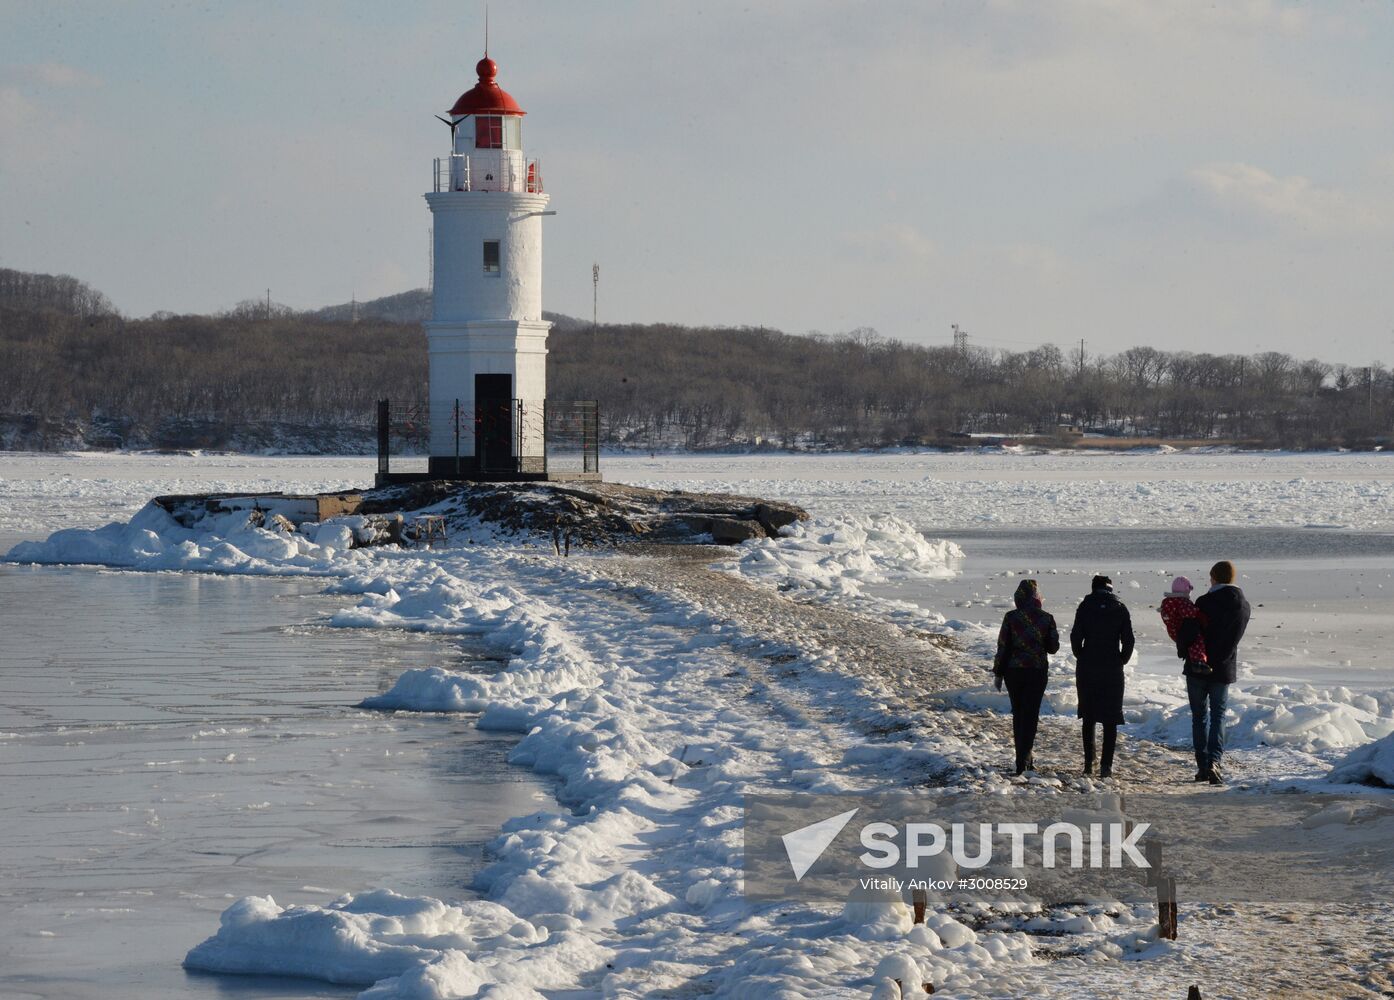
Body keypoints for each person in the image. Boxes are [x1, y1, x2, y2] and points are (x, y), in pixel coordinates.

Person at [1180, 560, 1251, 785]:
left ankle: (1202, 765)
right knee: (1218, 715)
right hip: (1223, 667)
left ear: (1214, 577)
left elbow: (1190, 631)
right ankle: (1214, 761)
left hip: (1197, 666)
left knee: (1199, 717)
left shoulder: (1204, 602)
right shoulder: (1243, 605)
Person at [993, 579, 1060, 776]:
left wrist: (998, 672)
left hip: (1013, 673)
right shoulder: (1046, 618)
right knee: (1031, 715)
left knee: (1018, 713)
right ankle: (1025, 757)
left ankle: (1021, 757)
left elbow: (1003, 647)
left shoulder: (1010, 617)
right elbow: (1053, 648)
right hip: (1036, 672)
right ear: (1036, 597)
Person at [1070, 575, 1134, 778]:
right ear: (1110, 588)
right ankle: (1106, 765)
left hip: (1088, 666)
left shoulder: (1085, 606)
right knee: (1111, 717)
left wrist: (1081, 655)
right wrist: (1121, 659)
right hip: (1112, 668)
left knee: (1088, 716)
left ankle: (1089, 762)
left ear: (1093, 588)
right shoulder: (1120, 608)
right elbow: (1129, 640)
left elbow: (1075, 637)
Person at [1159, 576, 1210, 675]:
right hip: (1181, 629)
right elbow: (1187, 612)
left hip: (1173, 630)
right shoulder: (1181, 602)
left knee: (1190, 643)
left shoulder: (1168, 602)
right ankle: (1198, 662)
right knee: (1196, 642)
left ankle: (1196, 660)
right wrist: (1198, 613)